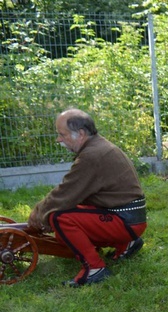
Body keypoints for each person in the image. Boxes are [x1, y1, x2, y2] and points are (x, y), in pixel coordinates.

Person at [27, 108, 147, 287]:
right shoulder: (98, 146)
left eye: (62, 134)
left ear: (80, 133)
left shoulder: (92, 156)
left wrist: (37, 216)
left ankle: (95, 269)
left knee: (59, 218)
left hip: (125, 222)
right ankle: (126, 244)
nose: (59, 139)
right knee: (63, 222)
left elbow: (64, 194)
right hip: (129, 218)